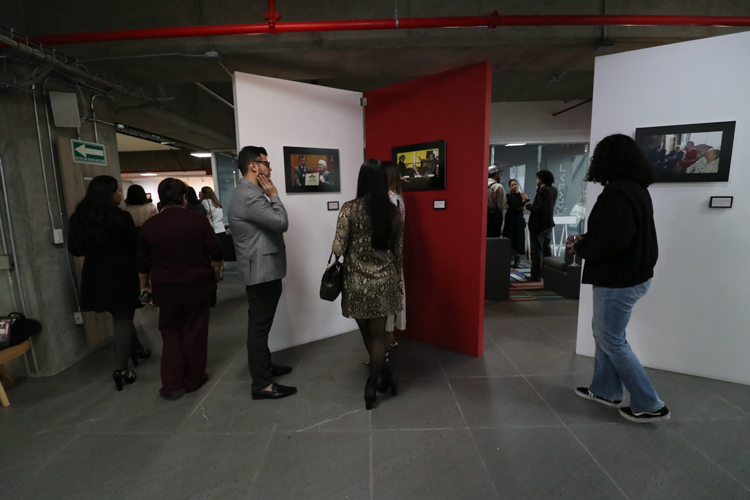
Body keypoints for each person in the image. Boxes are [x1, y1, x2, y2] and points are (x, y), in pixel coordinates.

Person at [569, 134, 669, 423]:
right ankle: (605, 390)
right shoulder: (636, 189)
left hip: (619, 278)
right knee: (604, 335)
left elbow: (614, 239)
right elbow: (619, 233)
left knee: (611, 339)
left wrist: (582, 246)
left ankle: (650, 403)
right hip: (632, 274)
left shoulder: (617, 192)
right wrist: (588, 240)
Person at [138, 178, 223, 399]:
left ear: (160, 199)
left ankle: (172, 383)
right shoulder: (197, 220)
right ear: (184, 198)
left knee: (170, 334)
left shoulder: (150, 226)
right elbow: (215, 249)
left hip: (165, 289)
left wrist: (144, 287)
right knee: (194, 333)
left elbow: (143, 262)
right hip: (197, 286)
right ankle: (193, 379)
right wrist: (216, 271)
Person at [332, 159, 403, 410]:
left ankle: (373, 382)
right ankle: (383, 377)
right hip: (384, 282)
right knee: (378, 336)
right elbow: (398, 252)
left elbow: (337, 247)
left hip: (356, 283)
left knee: (367, 334)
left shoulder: (349, 209)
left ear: (361, 179)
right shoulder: (392, 211)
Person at [228, 146, 297, 400]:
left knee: (261, 327)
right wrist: (275, 196)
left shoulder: (249, 192)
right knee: (258, 330)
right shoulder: (250, 195)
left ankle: (264, 368)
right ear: (253, 166)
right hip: (261, 272)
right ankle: (262, 385)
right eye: (266, 163)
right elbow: (281, 223)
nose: (270, 169)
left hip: (261, 270)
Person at [67, 175, 147, 391]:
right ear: (109, 194)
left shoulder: (79, 218)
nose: (121, 193)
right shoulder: (121, 218)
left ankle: (137, 348)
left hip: (96, 275)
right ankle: (121, 369)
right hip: (122, 273)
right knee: (124, 317)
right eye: (118, 190)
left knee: (120, 314)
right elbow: (134, 246)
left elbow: (76, 249)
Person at [382, 161, 406, 355]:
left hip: (388, 256)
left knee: (388, 299)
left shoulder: (391, 199)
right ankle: (389, 338)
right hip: (393, 254)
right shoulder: (396, 198)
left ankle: (388, 339)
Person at [525, 170, 557, 282]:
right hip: (548, 224)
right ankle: (547, 273)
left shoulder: (542, 191)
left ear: (541, 179)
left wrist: (527, 205)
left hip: (538, 225)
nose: (536, 180)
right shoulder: (553, 190)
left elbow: (539, 208)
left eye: (538, 178)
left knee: (537, 251)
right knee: (546, 250)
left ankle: (536, 275)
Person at [503, 178, 528, 267]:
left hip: (518, 220)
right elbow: (513, 206)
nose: (514, 186)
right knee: (510, 238)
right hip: (510, 220)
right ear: (510, 187)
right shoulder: (508, 196)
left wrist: (523, 204)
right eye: (512, 185)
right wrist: (522, 204)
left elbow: (524, 207)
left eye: (515, 184)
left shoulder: (522, 196)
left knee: (518, 239)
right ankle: (508, 258)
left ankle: (517, 258)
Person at [487, 166, 507, 237]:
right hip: (494, 217)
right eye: (499, 174)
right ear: (496, 174)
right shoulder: (498, 186)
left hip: (483, 216)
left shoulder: (482, 185)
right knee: (494, 238)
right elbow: (501, 206)